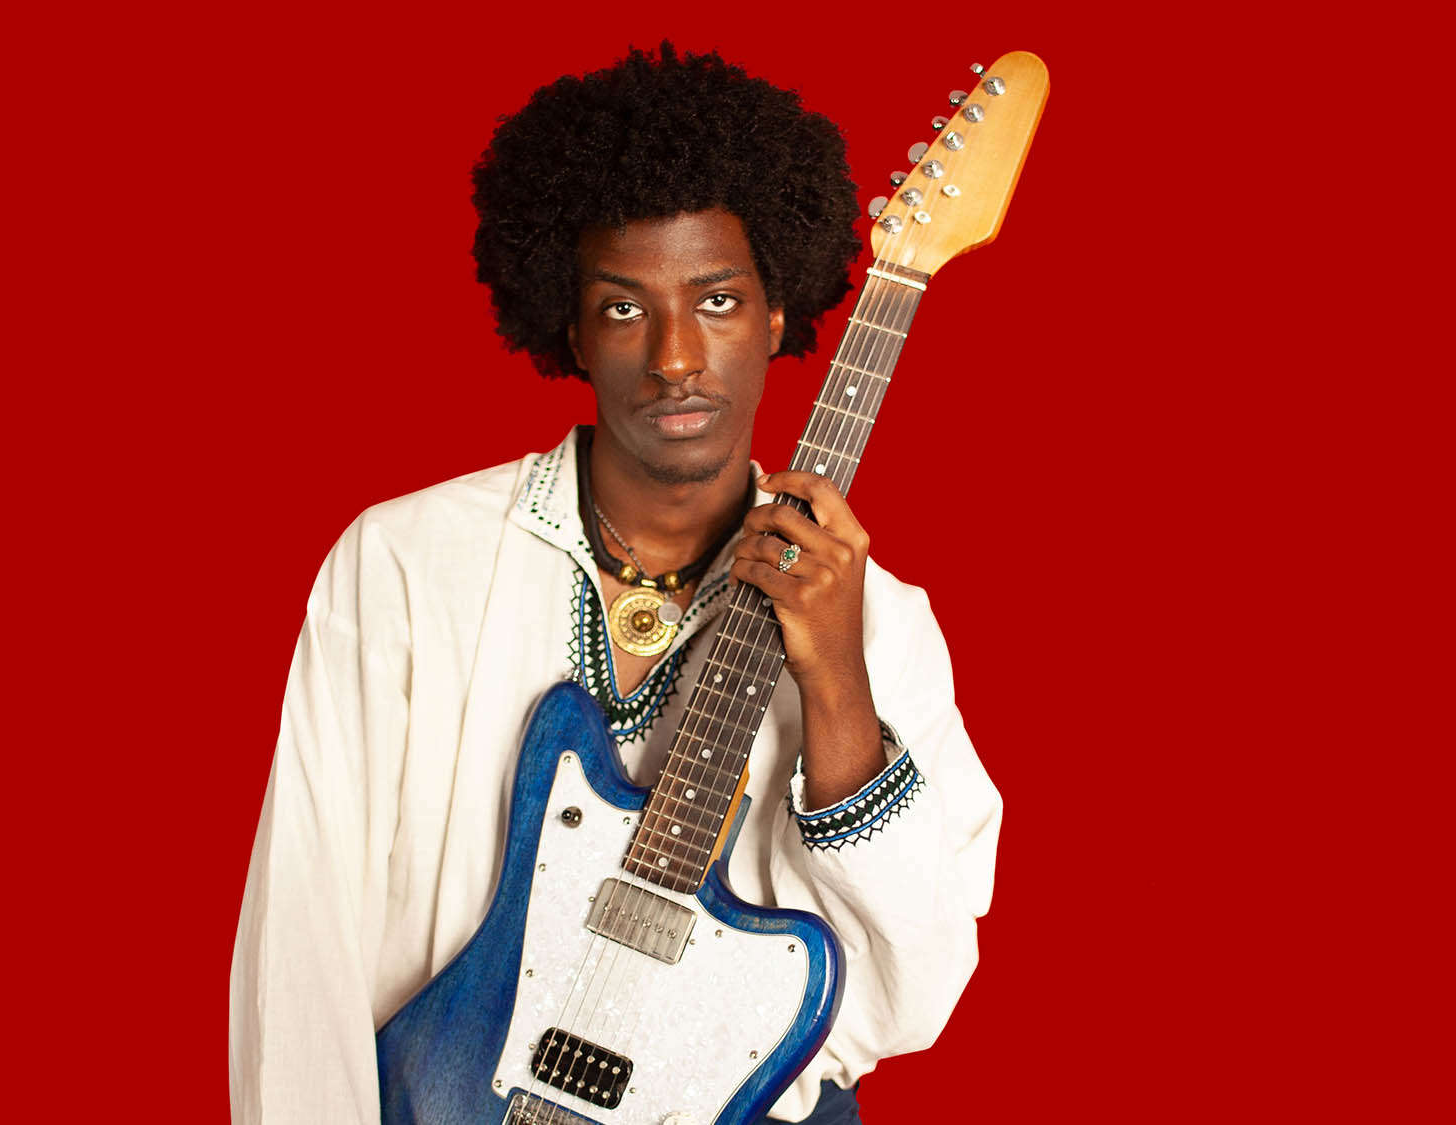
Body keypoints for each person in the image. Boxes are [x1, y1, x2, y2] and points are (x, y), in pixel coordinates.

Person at [230, 43, 1001, 1124]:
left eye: (720, 300)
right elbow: (302, 947)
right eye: (628, 308)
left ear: (778, 318)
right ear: (572, 328)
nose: (678, 357)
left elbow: (912, 992)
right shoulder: (405, 566)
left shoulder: (882, 622)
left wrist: (834, 679)